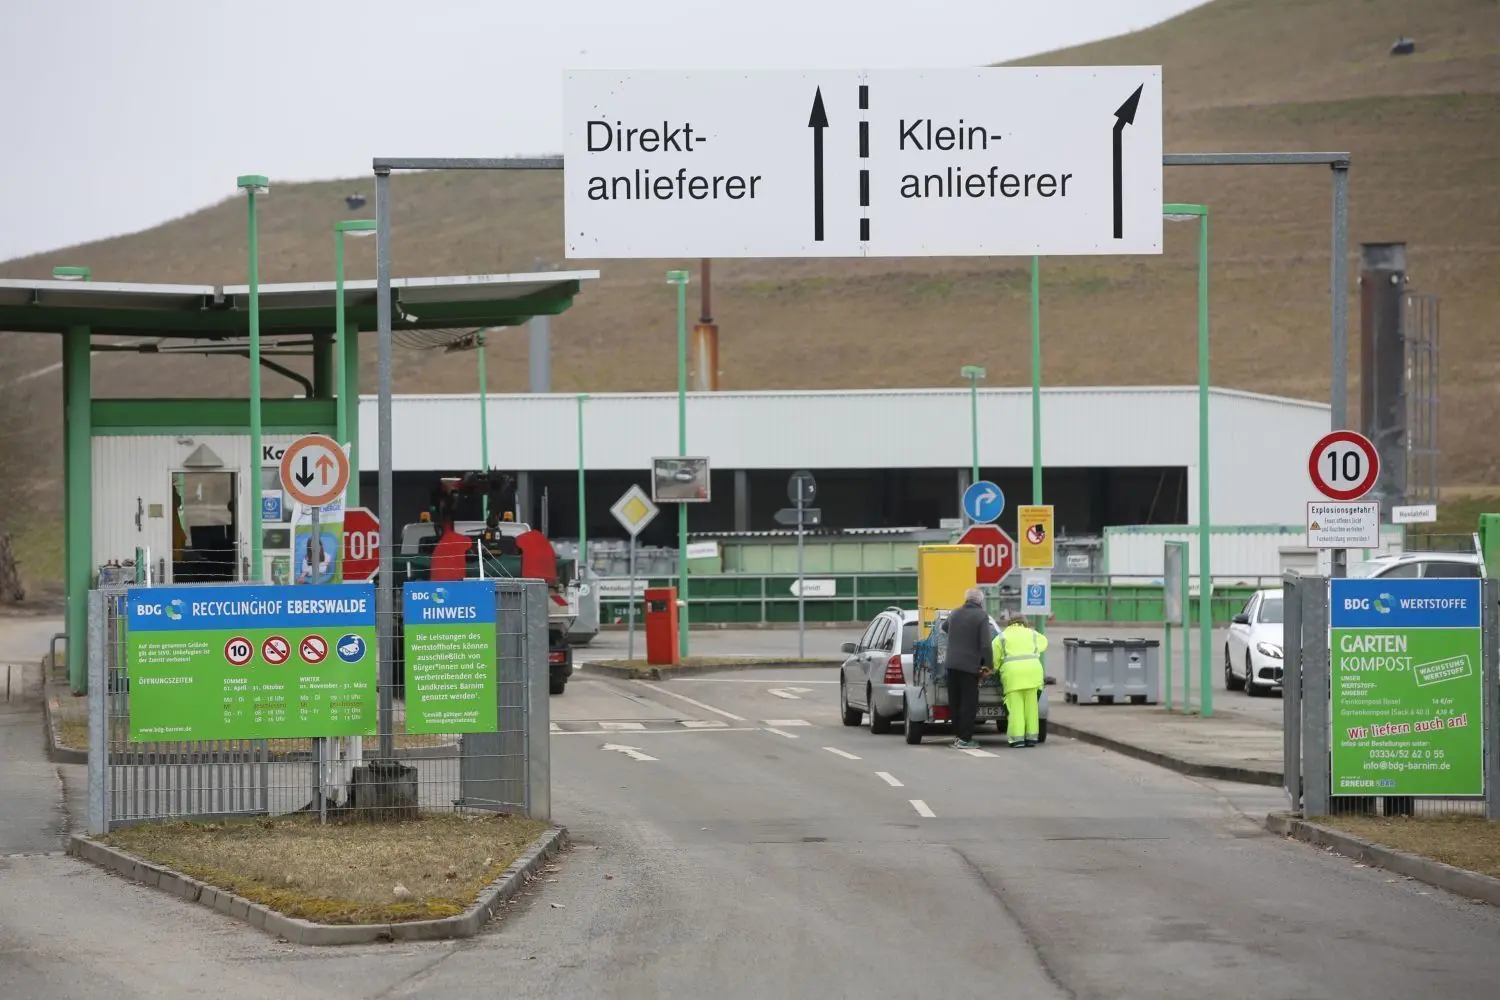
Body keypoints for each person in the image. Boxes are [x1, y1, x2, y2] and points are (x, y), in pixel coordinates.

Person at [942, 586, 994, 750]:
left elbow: (944, 627)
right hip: (969, 666)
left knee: (955, 702)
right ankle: (965, 739)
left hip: (951, 664)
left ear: (966, 599)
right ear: (981, 601)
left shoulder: (955, 613)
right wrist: (988, 665)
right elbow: (986, 644)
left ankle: (958, 737)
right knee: (968, 703)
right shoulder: (981, 616)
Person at [993, 611, 1048, 747]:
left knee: (1016, 709)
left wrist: (994, 669)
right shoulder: (1033, 634)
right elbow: (1044, 643)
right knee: (1031, 708)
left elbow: (994, 660)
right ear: (1025, 622)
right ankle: (1031, 737)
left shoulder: (1001, 637)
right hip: (1033, 673)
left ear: (1009, 623)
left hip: (1013, 676)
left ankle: (1017, 739)